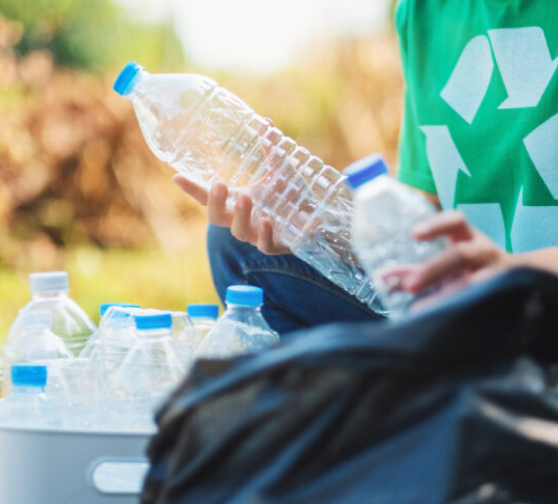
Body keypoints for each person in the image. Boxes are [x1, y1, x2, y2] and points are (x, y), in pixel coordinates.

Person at [174, 0, 558, 333]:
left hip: (539, 299)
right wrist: (326, 228)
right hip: (472, 313)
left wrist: (515, 271)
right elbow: (426, 222)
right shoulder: (426, 11)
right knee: (240, 248)